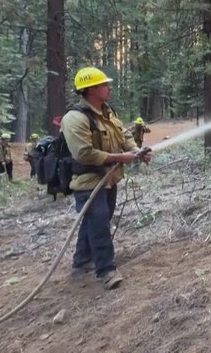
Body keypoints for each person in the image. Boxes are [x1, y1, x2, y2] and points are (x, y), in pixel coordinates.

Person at [61, 66, 152, 289]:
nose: (108, 88)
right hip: (88, 182)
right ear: (90, 89)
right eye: (104, 85)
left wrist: (135, 151)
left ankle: (82, 260)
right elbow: (84, 153)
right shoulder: (75, 118)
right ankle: (106, 270)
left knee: (97, 219)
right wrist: (121, 156)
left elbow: (124, 134)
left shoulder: (107, 112)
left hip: (108, 179)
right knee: (99, 221)